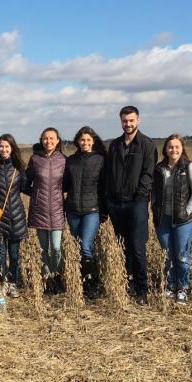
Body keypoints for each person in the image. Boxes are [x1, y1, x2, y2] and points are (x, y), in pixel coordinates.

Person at [104, 105, 158, 304]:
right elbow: (109, 172)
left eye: (131, 120)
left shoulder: (147, 145)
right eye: (125, 121)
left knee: (137, 247)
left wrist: (139, 196)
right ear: (121, 122)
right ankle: (126, 283)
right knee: (122, 247)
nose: (128, 124)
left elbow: (148, 174)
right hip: (116, 204)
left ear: (138, 120)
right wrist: (109, 197)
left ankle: (142, 289)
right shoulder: (115, 145)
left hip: (136, 204)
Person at [151, 134, 192, 305]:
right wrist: (154, 208)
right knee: (168, 254)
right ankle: (171, 285)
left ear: (182, 148)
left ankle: (183, 288)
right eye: (170, 147)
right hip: (163, 219)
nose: (173, 150)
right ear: (165, 149)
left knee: (182, 255)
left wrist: (186, 211)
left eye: (177, 147)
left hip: (183, 221)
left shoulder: (189, 167)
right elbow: (154, 192)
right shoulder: (159, 169)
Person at [63, 126, 106, 298]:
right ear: (77, 141)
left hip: (91, 210)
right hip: (72, 209)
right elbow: (65, 184)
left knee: (86, 246)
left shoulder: (100, 160)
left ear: (93, 141)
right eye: (82, 140)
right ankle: (77, 281)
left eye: (88, 140)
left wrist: (104, 211)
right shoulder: (71, 160)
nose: (85, 142)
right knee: (76, 246)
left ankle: (91, 283)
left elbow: (104, 187)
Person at [0, 134, 28, 297]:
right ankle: (2, 283)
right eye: (1, 146)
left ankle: (13, 283)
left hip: (16, 216)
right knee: (0, 255)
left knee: (14, 255)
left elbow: (25, 187)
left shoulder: (19, 167)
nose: (4, 149)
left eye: (7, 146)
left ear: (12, 148)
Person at [25, 127, 67, 292]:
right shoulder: (35, 159)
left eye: (52, 138)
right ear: (41, 140)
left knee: (56, 247)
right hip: (39, 209)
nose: (48, 141)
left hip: (57, 209)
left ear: (57, 141)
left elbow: (67, 184)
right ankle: (47, 278)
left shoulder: (63, 160)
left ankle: (57, 276)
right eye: (45, 138)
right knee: (43, 248)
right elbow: (25, 183)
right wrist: (36, 195)